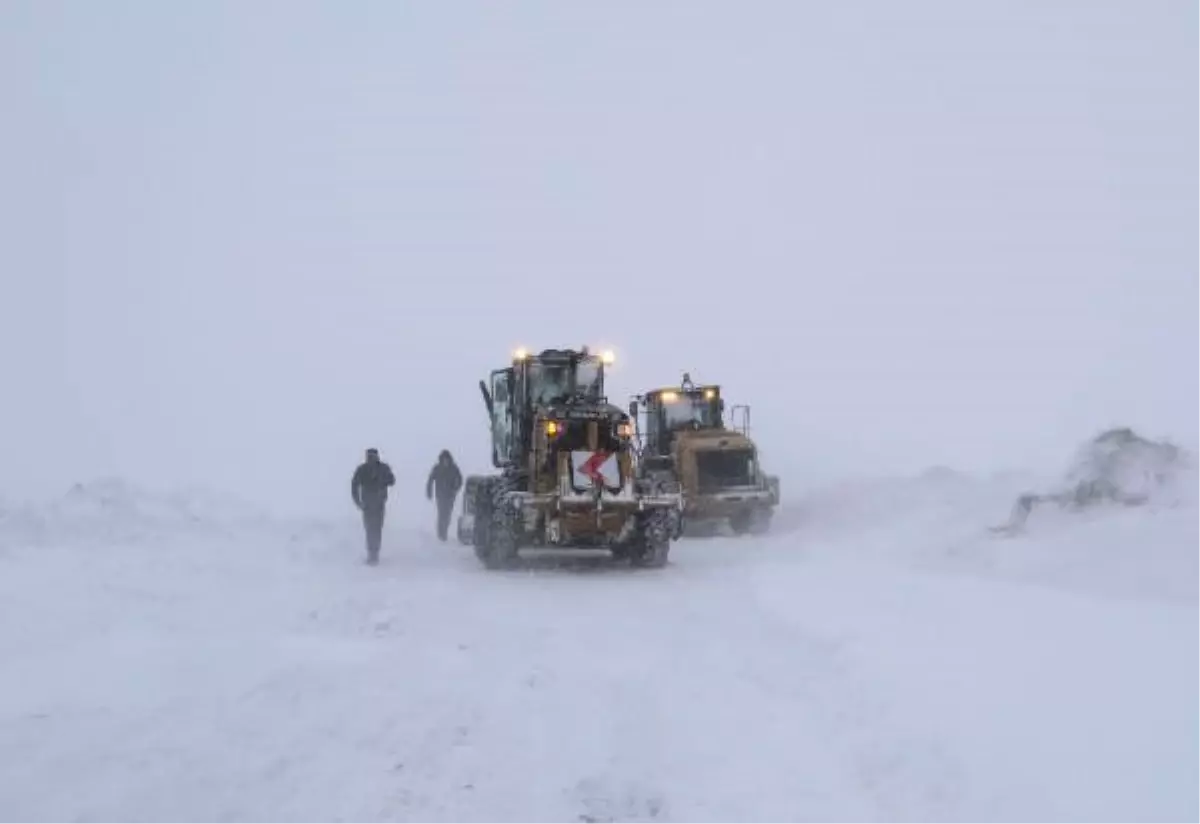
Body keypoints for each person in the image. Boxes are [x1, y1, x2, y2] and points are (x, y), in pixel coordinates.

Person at [351, 447, 395, 564]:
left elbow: (392, 481)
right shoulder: (362, 469)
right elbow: (354, 485)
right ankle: (372, 554)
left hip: (379, 504)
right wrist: (358, 502)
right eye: (369, 456)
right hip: (367, 505)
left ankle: (375, 553)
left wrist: (382, 479)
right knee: (370, 529)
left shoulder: (383, 468)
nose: (370, 459)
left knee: (377, 529)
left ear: (377, 457)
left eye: (372, 456)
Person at [426, 449, 463, 541]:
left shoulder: (454, 468)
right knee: (441, 513)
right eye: (444, 459)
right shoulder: (437, 468)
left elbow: (460, 479)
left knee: (448, 515)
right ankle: (440, 533)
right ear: (441, 459)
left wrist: (456, 488)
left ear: (449, 459)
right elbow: (430, 480)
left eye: (447, 459)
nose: (445, 461)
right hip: (440, 495)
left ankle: (444, 532)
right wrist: (429, 492)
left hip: (451, 496)